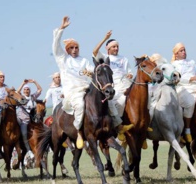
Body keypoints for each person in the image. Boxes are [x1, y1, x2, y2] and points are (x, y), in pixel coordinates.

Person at [52, 16, 94, 149]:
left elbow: (91, 70)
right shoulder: (63, 59)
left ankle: (117, 125)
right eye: (71, 48)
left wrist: (93, 72)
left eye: (76, 47)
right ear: (67, 50)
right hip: (73, 93)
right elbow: (55, 46)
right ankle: (79, 133)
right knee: (80, 105)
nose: (74, 50)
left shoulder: (84, 61)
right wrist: (61, 29)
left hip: (86, 89)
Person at [92, 30, 134, 142]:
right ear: (108, 48)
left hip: (125, 83)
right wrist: (105, 38)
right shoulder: (105, 58)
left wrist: (130, 74)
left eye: (117, 46)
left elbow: (129, 71)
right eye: (114, 46)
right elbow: (95, 51)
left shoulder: (124, 59)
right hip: (111, 85)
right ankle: (119, 127)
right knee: (120, 101)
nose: (116, 48)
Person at [171, 43, 196, 143]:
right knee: (191, 102)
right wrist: (192, 78)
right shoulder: (173, 65)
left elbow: (195, 73)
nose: (184, 52)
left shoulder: (192, 62)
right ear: (176, 54)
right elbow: (177, 79)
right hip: (182, 87)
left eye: (184, 50)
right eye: (181, 51)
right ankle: (187, 129)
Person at [16, 79, 42, 158]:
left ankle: (29, 150)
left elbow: (40, 89)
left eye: (28, 89)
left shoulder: (32, 97)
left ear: (30, 91)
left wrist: (34, 82)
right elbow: (16, 92)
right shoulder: (21, 97)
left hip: (27, 120)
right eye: (25, 89)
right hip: (19, 118)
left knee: (24, 134)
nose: (26, 90)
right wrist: (23, 83)